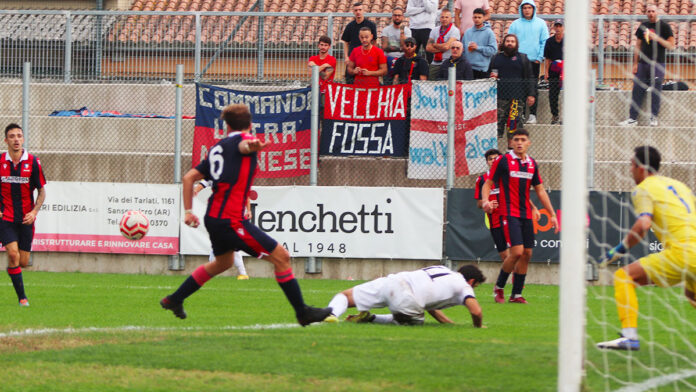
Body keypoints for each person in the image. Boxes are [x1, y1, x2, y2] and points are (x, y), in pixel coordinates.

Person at [160, 104, 331, 326]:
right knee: (282, 257)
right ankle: (302, 312)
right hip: (231, 220)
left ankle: (175, 298)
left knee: (222, 262)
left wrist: (189, 212)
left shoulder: (216, 148)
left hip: (214, 217)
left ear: (227, 125)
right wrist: (254, 145)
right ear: (250, 125)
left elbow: (188, 178)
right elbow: (244, 145)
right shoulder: (243, 141)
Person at [597, 146, 696, 351]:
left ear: (640, 168)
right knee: (692, 295)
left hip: (681, 253)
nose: (630, 170)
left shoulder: (644, 188)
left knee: (624, 277)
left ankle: (629, 336)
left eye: (631, 166)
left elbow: (643, 225)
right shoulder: (679, 185)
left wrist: (620, 248)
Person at [482, 129, 558, 304]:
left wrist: (552, 214)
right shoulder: (503, 161)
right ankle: (499, 287)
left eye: (523, 139)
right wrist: (486, 200)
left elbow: (539, 190)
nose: (519, 143)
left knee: (528, 253)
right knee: (517, 251)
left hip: (525, 213)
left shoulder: (532, 163)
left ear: (529, 143)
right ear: (511, 142)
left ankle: (516, 295)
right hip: (508, 212)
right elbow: (488, 183)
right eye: (516, 139)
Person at [324, 264, 485, 327]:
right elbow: (476, 311)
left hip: (393, 281)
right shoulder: (464, 286)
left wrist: (448, 322)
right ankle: (372, 319)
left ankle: (331, 314)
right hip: (407, 299)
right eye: (475, 286)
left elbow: (430, 303)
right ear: (471, 281)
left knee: (345, 296)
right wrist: (478, 327)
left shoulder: (441, 268)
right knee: (412, 321)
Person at [0, 123, 46, 307]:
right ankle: (22, 298)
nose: (16, 139)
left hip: (26, 219)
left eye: (19, 135)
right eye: (12, 136)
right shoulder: (0, 162)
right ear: (6, 140)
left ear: (23, 139)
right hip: (6, 218)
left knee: (23, 261)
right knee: (13, 255)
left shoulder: (33, 162)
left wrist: (34, 212)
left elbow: (42, 192)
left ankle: (13, 271)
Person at [618, 4, 674, 127]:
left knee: (655, 90)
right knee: (637, 89)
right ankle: (632, 119)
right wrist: (635, 64)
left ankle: (653, 117)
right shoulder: (643, 26)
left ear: (657, 12)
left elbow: (671, 45)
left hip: (657, 64)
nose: (650, 13)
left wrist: (657, 38)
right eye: (648, 11)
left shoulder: (664, 27)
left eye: (653, 11)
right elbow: (637, 46)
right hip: (643, 64)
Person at [193, 180, 249, 280]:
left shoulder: (236, 174)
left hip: (232, 215)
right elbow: (204, 183)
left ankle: (243, 273)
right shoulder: (216, 172)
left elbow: (245, 193)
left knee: (231, 244)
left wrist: (248, 210)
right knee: (221, 243)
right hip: (219, 215)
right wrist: (195, 190)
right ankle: (241, 273)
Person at [489, 34, 536, 146]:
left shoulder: (523, 58)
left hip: (517, 99)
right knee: (495, 127)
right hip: (499, 98)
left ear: (516, 44)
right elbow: (490, 75)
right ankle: (493, 154)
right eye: (507, 41)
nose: (510, 43)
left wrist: (531, 94)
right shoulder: (496, 58)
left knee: (514, 128)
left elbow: (530, 77)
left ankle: (511, 154)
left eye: (512, 41)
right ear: (504, 43)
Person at [507, 0, 548, 125]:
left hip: (533, 61)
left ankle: (532, 114)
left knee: (532, 88)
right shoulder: (515, 24)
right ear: (521, 9)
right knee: (518, 87)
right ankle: (518, 114)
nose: (527, 10)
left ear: (534, 9)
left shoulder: (541, 23)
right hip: (518, 61)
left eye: (529, 7)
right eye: (524, 7)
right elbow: (509, 41)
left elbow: (544, 42)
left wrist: (539, 58)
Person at [341, 2, 378, 84]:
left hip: (367, 57)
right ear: (353, 12)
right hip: (352, 58)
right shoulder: (350, 26)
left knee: (367, 81)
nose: (358, 12)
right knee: (349, 81)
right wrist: (346, 57)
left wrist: (374, 55)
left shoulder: (371, 25)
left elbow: (375, 42)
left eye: (360, 10)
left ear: (363, 11)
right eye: (356, 10)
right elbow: (346, 43)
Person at [462, 7, 497, 79]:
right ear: (472, 18)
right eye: (475, 17)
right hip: (467, 68)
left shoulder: (489, 32)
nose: (477, 19)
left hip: (482, 70)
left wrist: (478, 48)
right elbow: (463, 51)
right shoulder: (467, 32)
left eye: (479, 17)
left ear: (484, 18)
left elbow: (493, 50)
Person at [426, 9, 460, 80]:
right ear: (439, 18)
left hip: (448, 62)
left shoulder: (455, 30)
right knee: (431, 84)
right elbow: (428, 48)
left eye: (447, 17)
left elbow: (447, 46)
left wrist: (435, 45)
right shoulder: (434, 30)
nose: (444, 19)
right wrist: (442, 47)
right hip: (435, 63)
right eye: (442, 17)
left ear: (451, 18)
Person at [381, 6, 412, 85]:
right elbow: (384, 47)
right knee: (387, 83)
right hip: (388, 59)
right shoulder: (386, 30)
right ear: (392, 16)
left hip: (402, 60)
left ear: (403, 17)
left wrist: (402, 32)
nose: (397, 17)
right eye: (395, 15)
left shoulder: (407, 31)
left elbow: (405, 47)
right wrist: (400, 48)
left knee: (402, 83)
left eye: (399, 15)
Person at [543, 20, 564, 125]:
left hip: (566, 71)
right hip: (554, 70)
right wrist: (546, 72)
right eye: (556, 26)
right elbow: (547, 58)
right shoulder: (549, 41)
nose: (558, 28)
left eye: (560, 26)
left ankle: (567, 117)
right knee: (553, 95)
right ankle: (555, 116)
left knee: (567, 95)